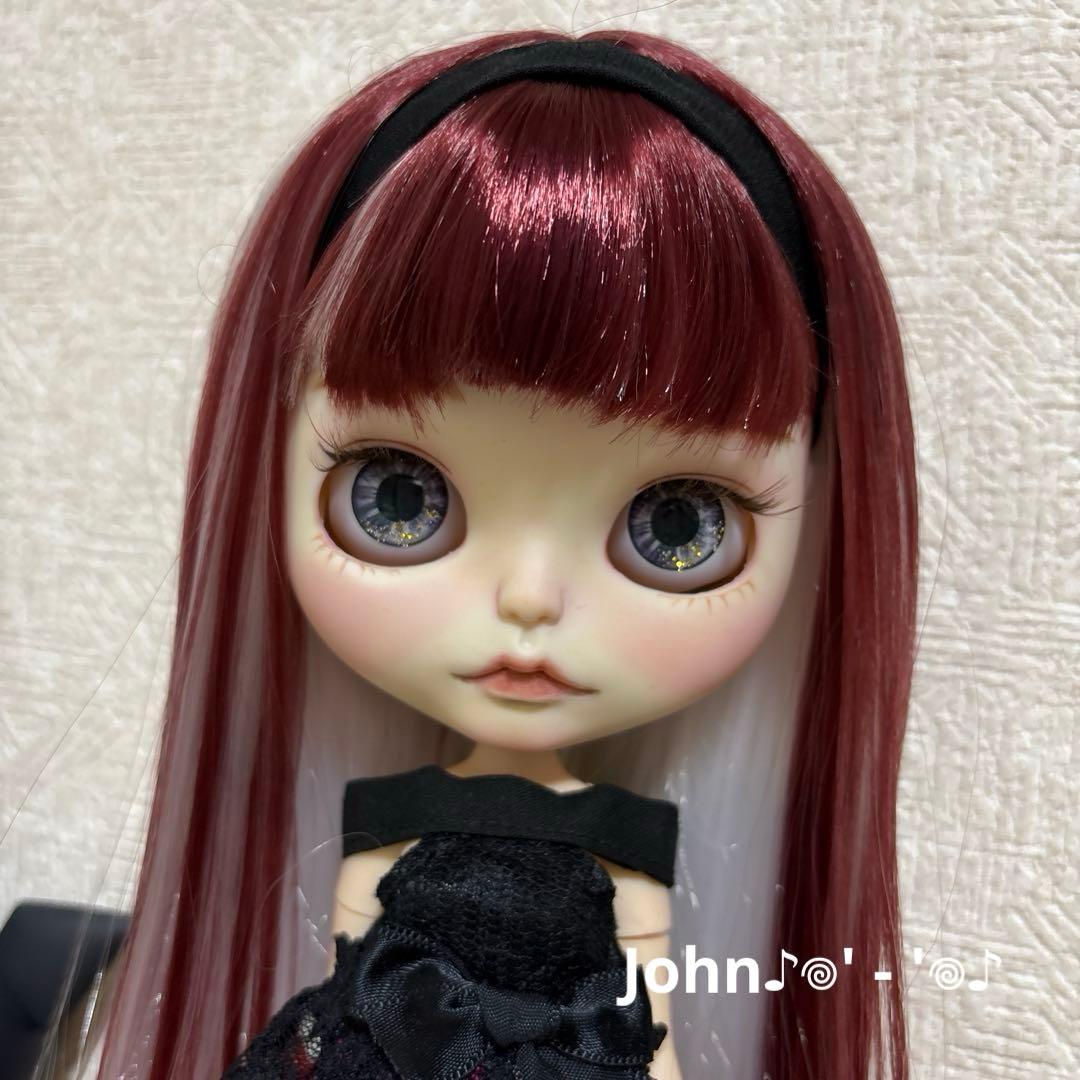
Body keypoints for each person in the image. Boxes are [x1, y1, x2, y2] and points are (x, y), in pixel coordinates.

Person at [79, 27, 916, 1080]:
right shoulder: (394, 818)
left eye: (678, 525)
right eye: (399, 497)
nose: (529, 598)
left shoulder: (622, 840)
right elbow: (349, 971)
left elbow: (645, 1009)